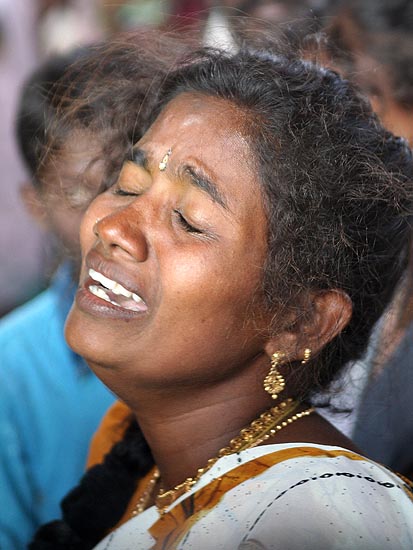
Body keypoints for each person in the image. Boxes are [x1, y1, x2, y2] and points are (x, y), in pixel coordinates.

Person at [31, 38, 413, 549]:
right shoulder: (147, 468)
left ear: (301, 322)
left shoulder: (318, 518)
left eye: (187, 220)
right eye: (126, 184)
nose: (116, 228)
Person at [0, 35, 173, 549]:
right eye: (78, 193)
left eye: (125, 183)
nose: (110, 221)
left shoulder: (199, 324)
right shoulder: (12, 368)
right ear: (34, 203)